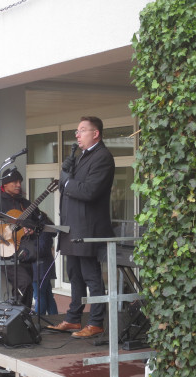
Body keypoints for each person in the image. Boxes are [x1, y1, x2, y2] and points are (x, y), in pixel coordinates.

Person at [48, 116, 115, 338]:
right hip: (72, 227)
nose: (77, 135)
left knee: (91, 275)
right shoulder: (80, 156)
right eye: (77, 131)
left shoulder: (103, 157)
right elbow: (70, 190)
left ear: (95, 134)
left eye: (82, 130)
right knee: (74, 274)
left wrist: (66, 182)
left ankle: (96, 321)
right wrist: (66, 174)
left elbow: (89, 191)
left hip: (88, 228)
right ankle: (73, 318)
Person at [0, 168, 35, 309]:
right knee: (23, 282)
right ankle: (18, 316)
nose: (19, 184)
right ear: (5, 184)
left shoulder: (24, 203)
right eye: (15, 182)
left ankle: (23, 316)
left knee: (27, 286)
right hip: (5, 250)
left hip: (24, 251)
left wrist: (31, 228)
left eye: (20, 182)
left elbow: (39, 222)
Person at [30, 211, 58, 316]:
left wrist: (28, 249)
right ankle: (54, 317)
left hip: (41, 268)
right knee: (47, 294)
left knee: (39, 296)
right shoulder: (43, 231)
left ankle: (39, 318)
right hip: (42, 268)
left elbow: (41, 250)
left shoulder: (43, 232)